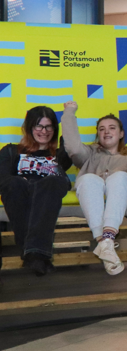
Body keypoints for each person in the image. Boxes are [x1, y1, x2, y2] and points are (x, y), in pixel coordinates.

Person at [61, 104, 127, 276]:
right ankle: (106, 244)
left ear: (121, 133)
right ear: (98, 135)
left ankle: (105, 240)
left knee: (118, 177)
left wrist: (119, 179)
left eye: (112, 128)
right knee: (87, 178)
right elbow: (73, 147)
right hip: (90, 193)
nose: (106, 132)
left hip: (120, 193)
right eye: (101, 129)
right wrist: (69, 114)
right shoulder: (90, 155)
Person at [0, 107, 72, 276]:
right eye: (38, 126)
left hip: (50, 189)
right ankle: (37, 255)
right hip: (20, 191)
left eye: (49, 127)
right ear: (29, 127)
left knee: (51, 182)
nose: (44, 131)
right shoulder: (11, 151)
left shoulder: (60, 153)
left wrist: (69, 115)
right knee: (15, 184)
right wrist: (25, 183)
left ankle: (32, 253)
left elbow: (74, 147)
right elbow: (2, 177)